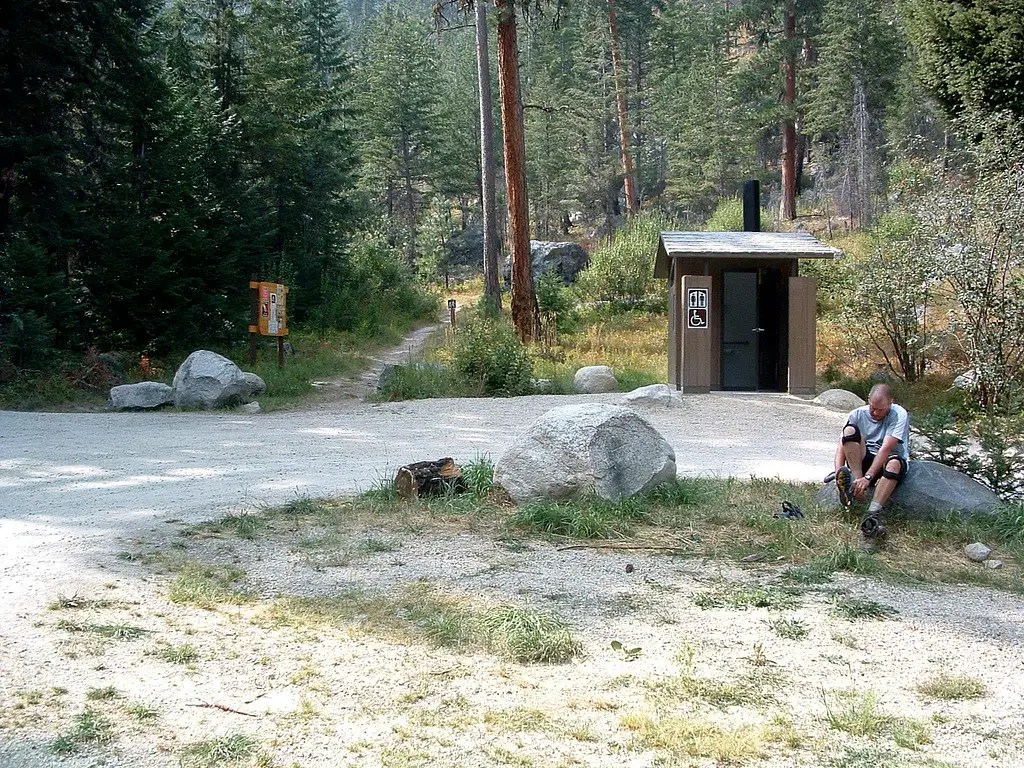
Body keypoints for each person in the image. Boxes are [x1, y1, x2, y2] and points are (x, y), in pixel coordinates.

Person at [828, 383, 911, 548]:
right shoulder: (857, 414)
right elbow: (841, 446)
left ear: (891, 403)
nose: (875, 413)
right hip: (864, 459)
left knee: (894, 464)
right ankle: (853, 485)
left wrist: (868, 478)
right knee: (850, 431)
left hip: (889, 459)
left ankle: (872, 514)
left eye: (880, 410)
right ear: (868, 400)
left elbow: (886, 448)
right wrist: (839, 473)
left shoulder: (899, 414)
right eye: (872, 407)